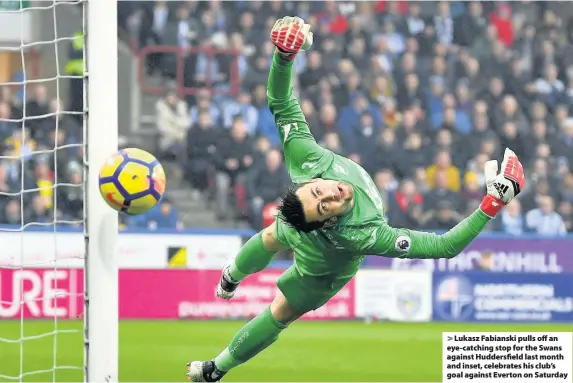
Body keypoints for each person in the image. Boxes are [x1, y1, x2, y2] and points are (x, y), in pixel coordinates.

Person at [186, 17, 526, 382]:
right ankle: (223, 329)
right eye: (325, 204)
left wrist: (284, 57)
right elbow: (444, 246)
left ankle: (220, 335)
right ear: (328, 220)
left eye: (320, 191)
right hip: (321, 267)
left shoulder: (306, 160)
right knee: (277, 282)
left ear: (310, 181)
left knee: (274, 251)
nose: (332, 193)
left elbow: (280, 102)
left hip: (307, 245)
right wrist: (492, 204)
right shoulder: (363, 233)